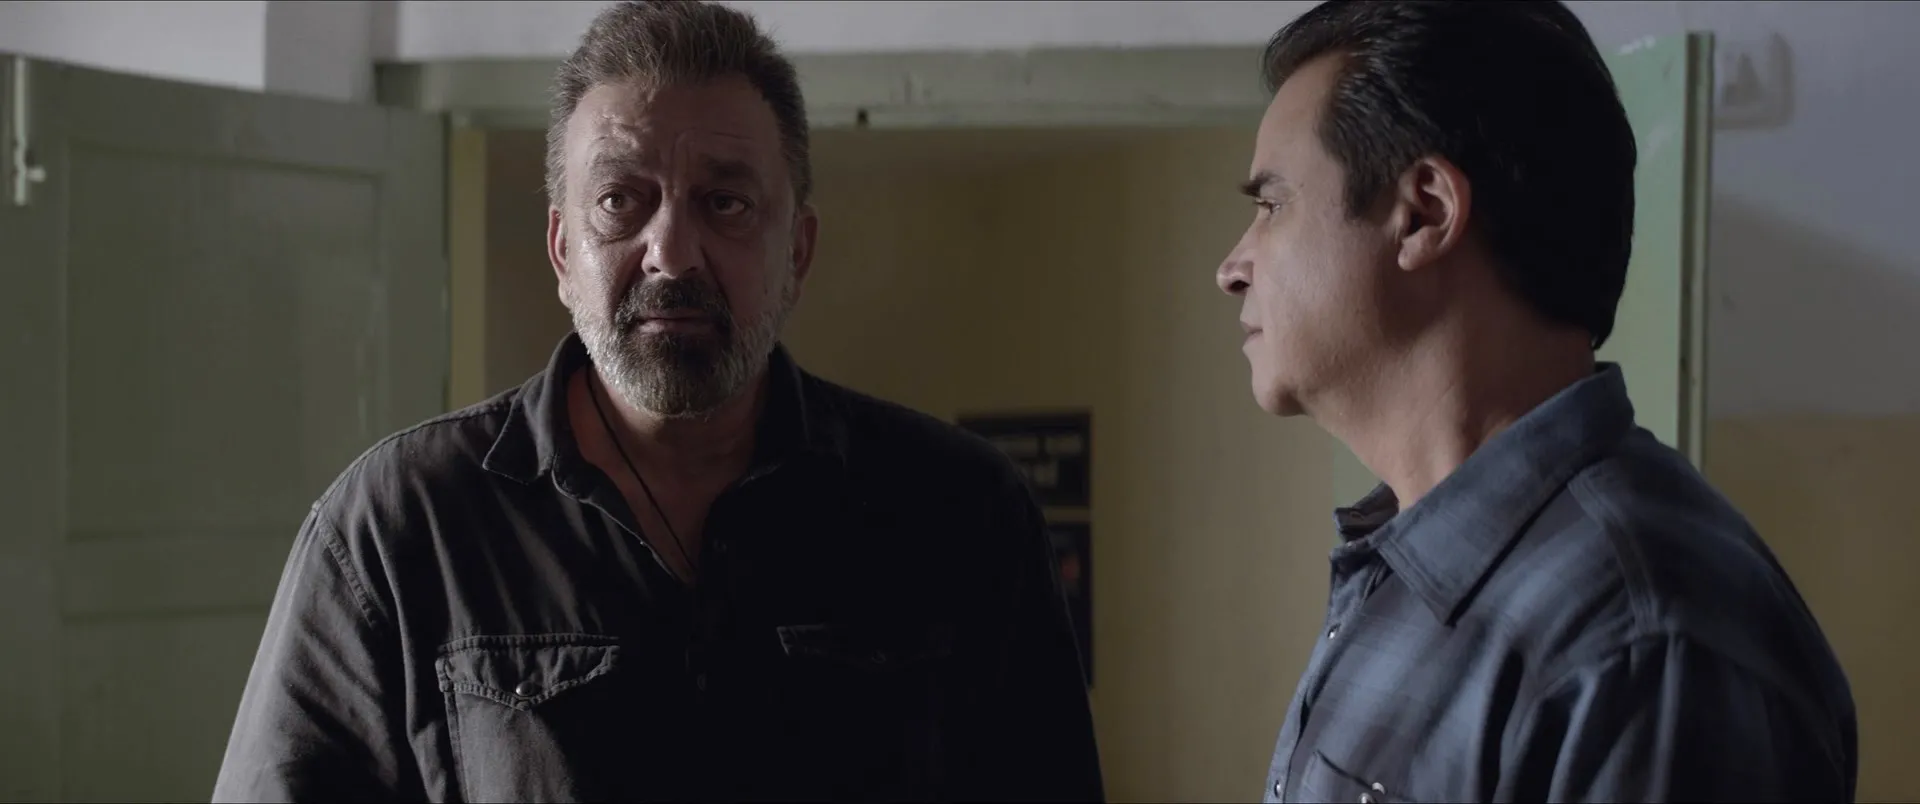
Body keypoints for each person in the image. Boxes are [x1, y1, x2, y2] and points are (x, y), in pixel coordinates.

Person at [210, 2, 1103, 801]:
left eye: (725, 203)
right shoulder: (402, 526)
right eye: (619, 201)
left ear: (797, 252)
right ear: (563, 251)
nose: (672, 253)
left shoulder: (961, 513)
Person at [1216, 2, 1856, 801]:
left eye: (1271, 204)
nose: (1232, 268)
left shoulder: (1643, 641)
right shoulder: (1403, 569)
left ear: (1423, 214)